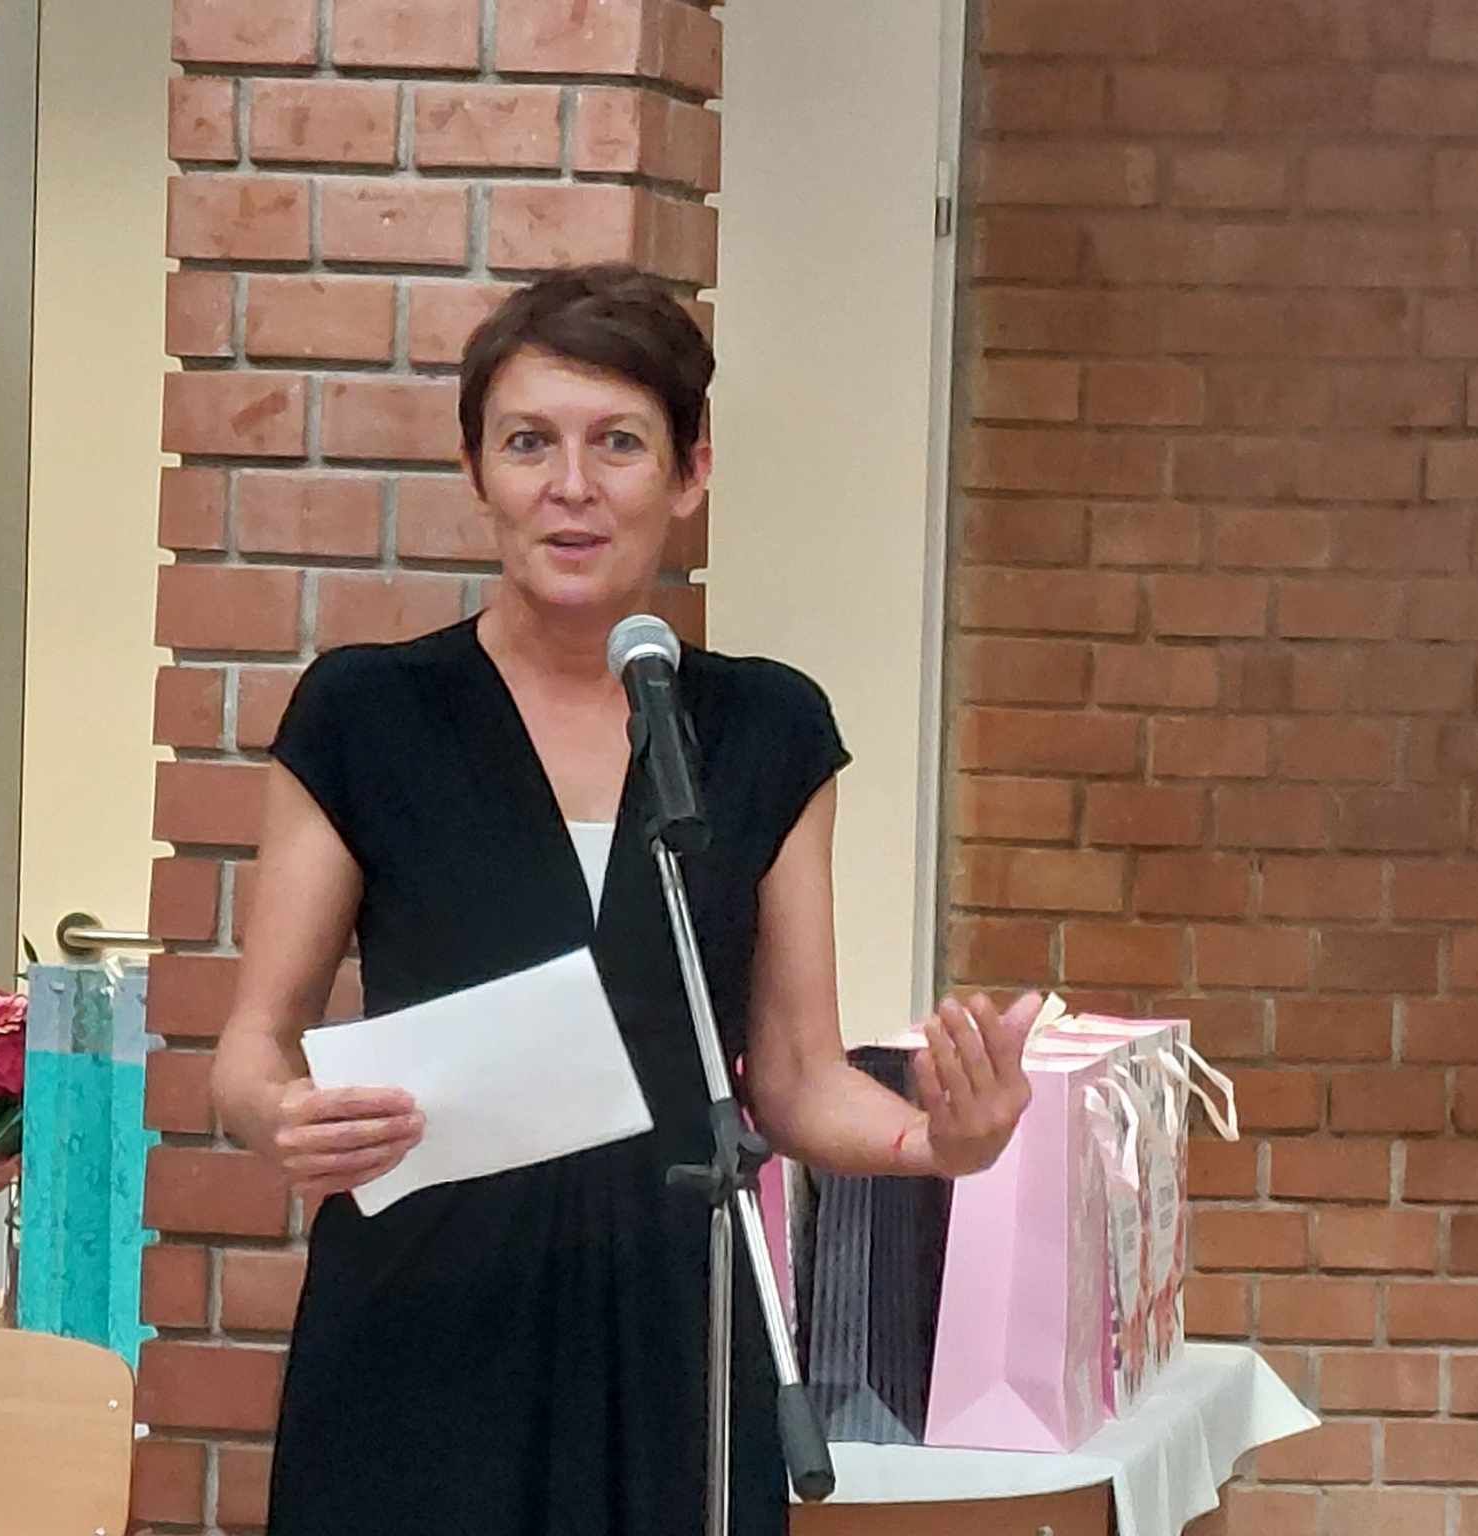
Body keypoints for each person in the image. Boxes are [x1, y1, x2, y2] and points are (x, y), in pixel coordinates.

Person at [211, 264, 1036, 1536]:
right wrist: (280, 1119)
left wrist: (939, 1145)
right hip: (424, 1322)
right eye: (527, 443)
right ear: (475, 472)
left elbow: (793, 1077)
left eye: (617, 443)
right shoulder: (365, 715)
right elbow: (252, 1047)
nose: (571, 486)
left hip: (672, 1327)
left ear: (688, 473)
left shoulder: (764, 728)